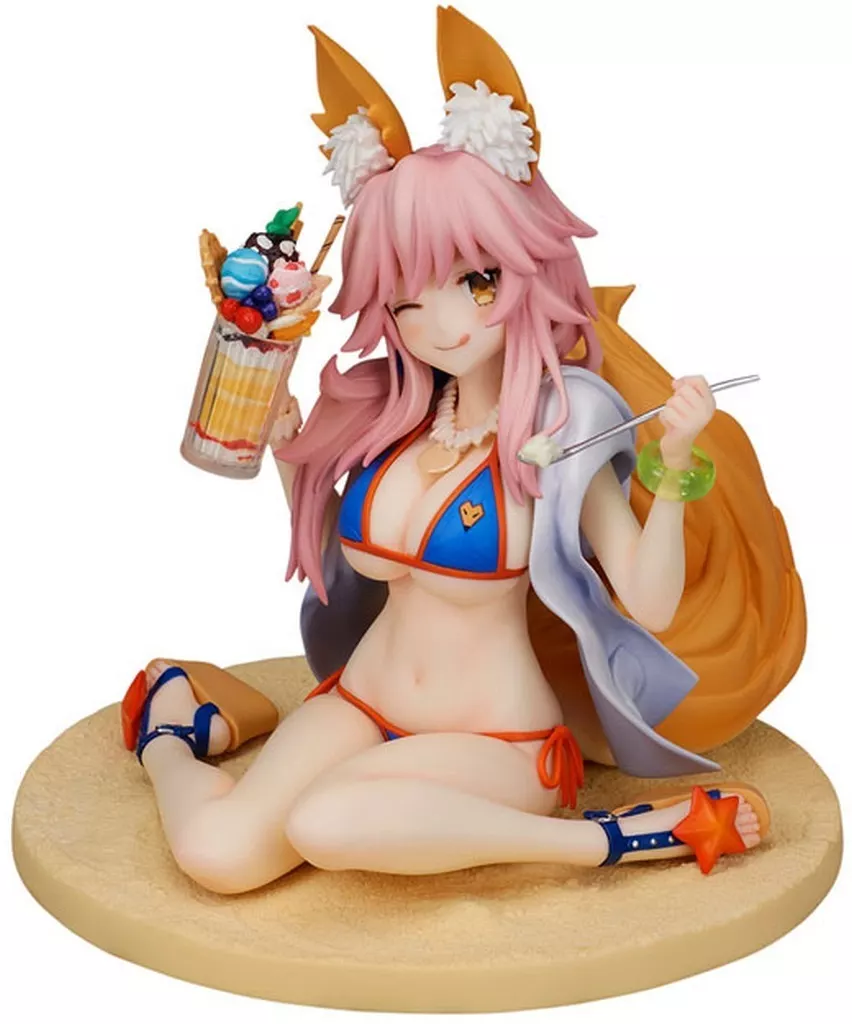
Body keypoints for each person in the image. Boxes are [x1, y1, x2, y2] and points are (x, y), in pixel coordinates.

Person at [121, 8, 798, 893]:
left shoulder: (562, 425)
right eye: (406, 292)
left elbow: (649, 600)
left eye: (475, 281)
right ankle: (173, 727)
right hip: (361, 701)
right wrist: (291, 453)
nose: (439, 320)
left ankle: (620, 837)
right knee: (217, 856)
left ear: (525, 266)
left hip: (496, 739)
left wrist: (671, 469)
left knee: (326, 822)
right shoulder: (391, 412)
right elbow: (337, 563)